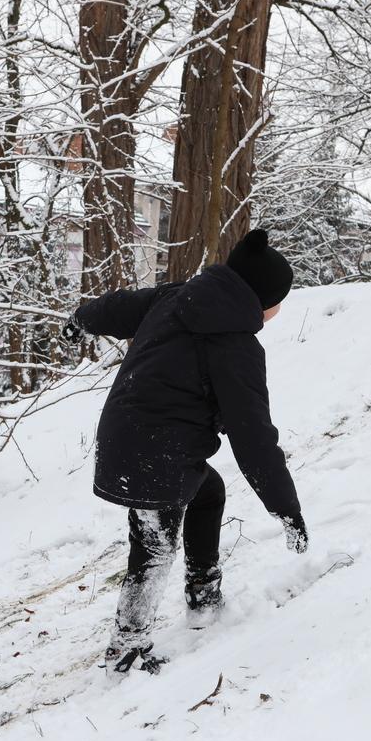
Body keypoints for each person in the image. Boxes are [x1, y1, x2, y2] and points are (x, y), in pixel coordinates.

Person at [64, 228, 308, 674]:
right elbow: (254, 439)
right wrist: (286, 508)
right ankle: (127, 650)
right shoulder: (236, 346)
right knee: (154, 548)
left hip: (128, 434)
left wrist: (81, 319)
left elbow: (118, 308)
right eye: (279, 302)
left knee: (208, 492)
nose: (277, 312)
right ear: (261, 300)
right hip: (154, 453)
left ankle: (203, 589)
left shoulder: (180, 296)